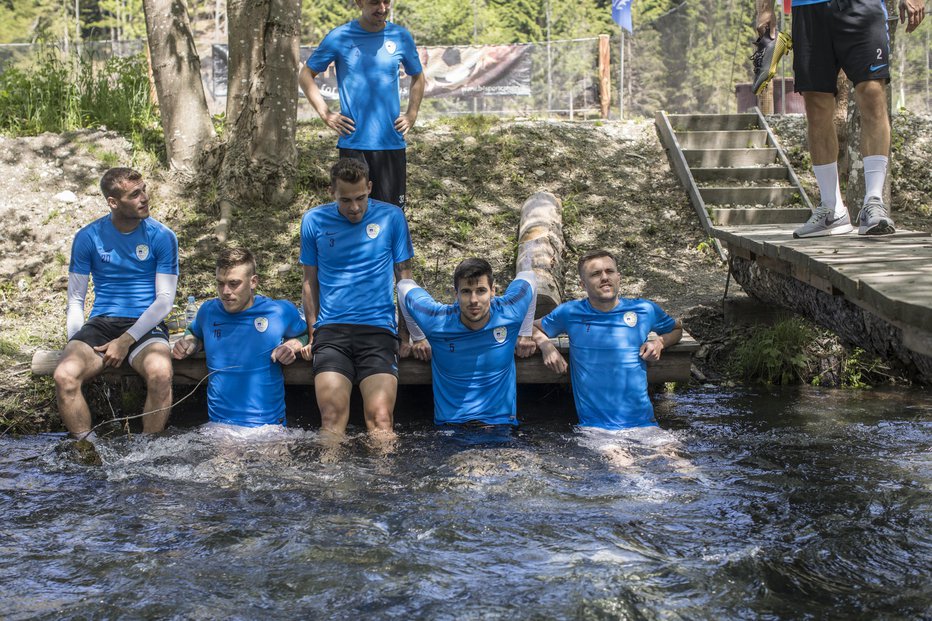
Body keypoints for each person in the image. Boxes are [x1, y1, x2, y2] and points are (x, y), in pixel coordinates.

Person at [754, 0, 926, 239]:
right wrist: (765, 9)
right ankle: (831, 209)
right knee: (815, 103)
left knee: (872, 92)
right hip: (809, 9)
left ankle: (874, 203)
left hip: (862, 6)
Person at [299, 158, 425, 438]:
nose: (354, 208)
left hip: (378, 331)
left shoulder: (391, 217)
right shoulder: (313, 220)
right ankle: (329, 480)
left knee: (380, 418)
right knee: (331, 417)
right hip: (332, 332)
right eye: (345, 200)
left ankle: (385, 481)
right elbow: (309, 282)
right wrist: (313, 333)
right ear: (332, 191)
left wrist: (405, 334)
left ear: (369, 187)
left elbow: (404, 279)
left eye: (360, 198)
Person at [53, 167, 178, 438]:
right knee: (64, 375)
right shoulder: (88, 237)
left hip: (145, 324)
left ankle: (148, 450)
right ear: (113, 202)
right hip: (101, 323)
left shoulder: (162, 236)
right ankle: (89, 449)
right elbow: (75, 298)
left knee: (161, 373)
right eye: (135, 194)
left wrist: (126, 340)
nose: (144, 198)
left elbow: (165, 300)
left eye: (144, 190)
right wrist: (75, 344)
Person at [531, 250, 683, 431]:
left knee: (676, 458)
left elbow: (677, 329)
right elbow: (530, 328)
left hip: (645, 424)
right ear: (583, 284)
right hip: (597, 429)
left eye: (609, 271)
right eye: (595, 274)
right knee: (621, 461)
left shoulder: (644, 309)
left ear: (618, 277)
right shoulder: (570, 312)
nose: (604, 277)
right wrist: (547, 345)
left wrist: (659, 342)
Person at [299, 0, 425, 211]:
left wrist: (411, 114)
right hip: (354, 144)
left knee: (391, 215)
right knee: (354, 215)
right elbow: (306, 74)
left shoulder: (401, 36)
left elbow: (418, 77)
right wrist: (326, 113)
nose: (382, 8)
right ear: (359, 2)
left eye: (386, 1)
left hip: (391, 143)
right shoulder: (340, 36)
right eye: (375, 2)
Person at [172, 248, 307, 428]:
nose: (225, 291)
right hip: (219, 427)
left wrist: (292, 345)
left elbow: (307, 334)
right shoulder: (208, 311)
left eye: (234, 283)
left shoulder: (279, 311)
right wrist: (190, 342)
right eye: (220, 283)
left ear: (253, 282)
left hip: (268, 427)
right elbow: (193, 333)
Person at [396, 258, 537, 428]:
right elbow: (403, 287)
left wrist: (525, 333)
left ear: (493, 291)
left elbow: (529, 276)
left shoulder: (509, 313)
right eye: (466, 291)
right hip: (451, 429)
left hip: (500, 427)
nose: (473, 300)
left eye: (481, 290)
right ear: (455, 294)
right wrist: (418, 336)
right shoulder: (437, 321)